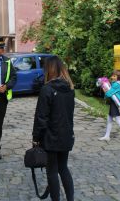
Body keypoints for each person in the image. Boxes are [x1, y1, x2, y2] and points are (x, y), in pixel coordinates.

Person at [32, 55, 75, 201]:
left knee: (52, 171)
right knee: (63, 168)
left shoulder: (47, 89)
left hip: (51, 136)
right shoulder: (70, 88)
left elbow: (41, 117)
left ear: (49, 70)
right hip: (66, 134)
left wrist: (36, 138)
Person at [99, 70, 120, 144]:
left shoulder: (116, 85)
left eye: (114, 76)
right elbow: (111, 92)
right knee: (109, 119)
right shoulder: (116, 83)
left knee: (118, 120)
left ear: (118, 77)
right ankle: (107, 136)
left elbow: (109, 93)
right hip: (114, 103)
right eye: (112, 75)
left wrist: (105, 89)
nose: (112, 77)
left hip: (116, 104)